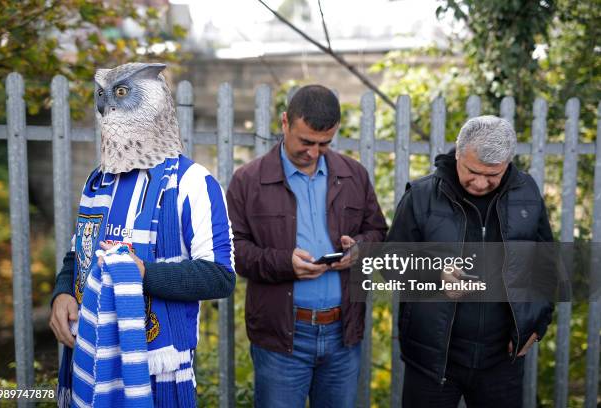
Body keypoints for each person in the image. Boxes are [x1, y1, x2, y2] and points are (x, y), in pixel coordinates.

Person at [49, 62, 235, 407]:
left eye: (121, 93)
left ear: (156, 102)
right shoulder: (98, 181)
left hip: (157, 371)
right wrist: (62, 293)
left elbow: (220, 276)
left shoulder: (193, 182)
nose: (107, 106)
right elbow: (78, 256)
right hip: (88, 358)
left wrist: (144, 274)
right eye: (103, 96)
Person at [226, 84, 387, 408]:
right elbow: (233, 250)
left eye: (324, 143)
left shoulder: (354, 175)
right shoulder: (248, 180)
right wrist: (285, 262)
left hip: (344, 334)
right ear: (285, 122)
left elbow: (378, 233)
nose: (314, 152)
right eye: (306, 142)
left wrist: (358, 250)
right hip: (282, 338)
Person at [387, 115, 555, 408]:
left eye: (492, 175)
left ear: (508, 163)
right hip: (434, 361)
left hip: (502, 362)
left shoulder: (527, 193)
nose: (479, 183)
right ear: (458, 152)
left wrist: (537, 326)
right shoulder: (422, 195)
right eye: (472, 171)